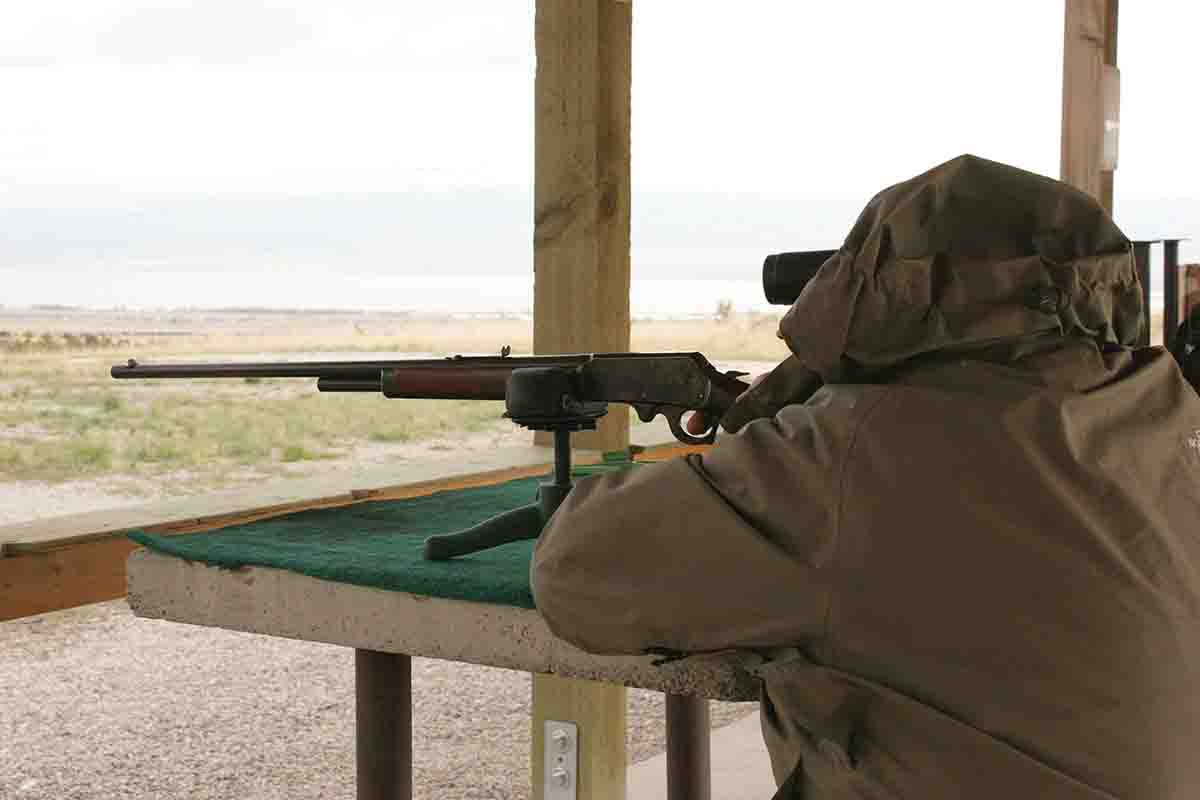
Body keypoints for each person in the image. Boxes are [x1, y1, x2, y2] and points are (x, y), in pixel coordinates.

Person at [530, 154, 1200, 799]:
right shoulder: (1168, 414)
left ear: (868, 293)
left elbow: (573, 572)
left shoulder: (852, 455)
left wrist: (796, 403)